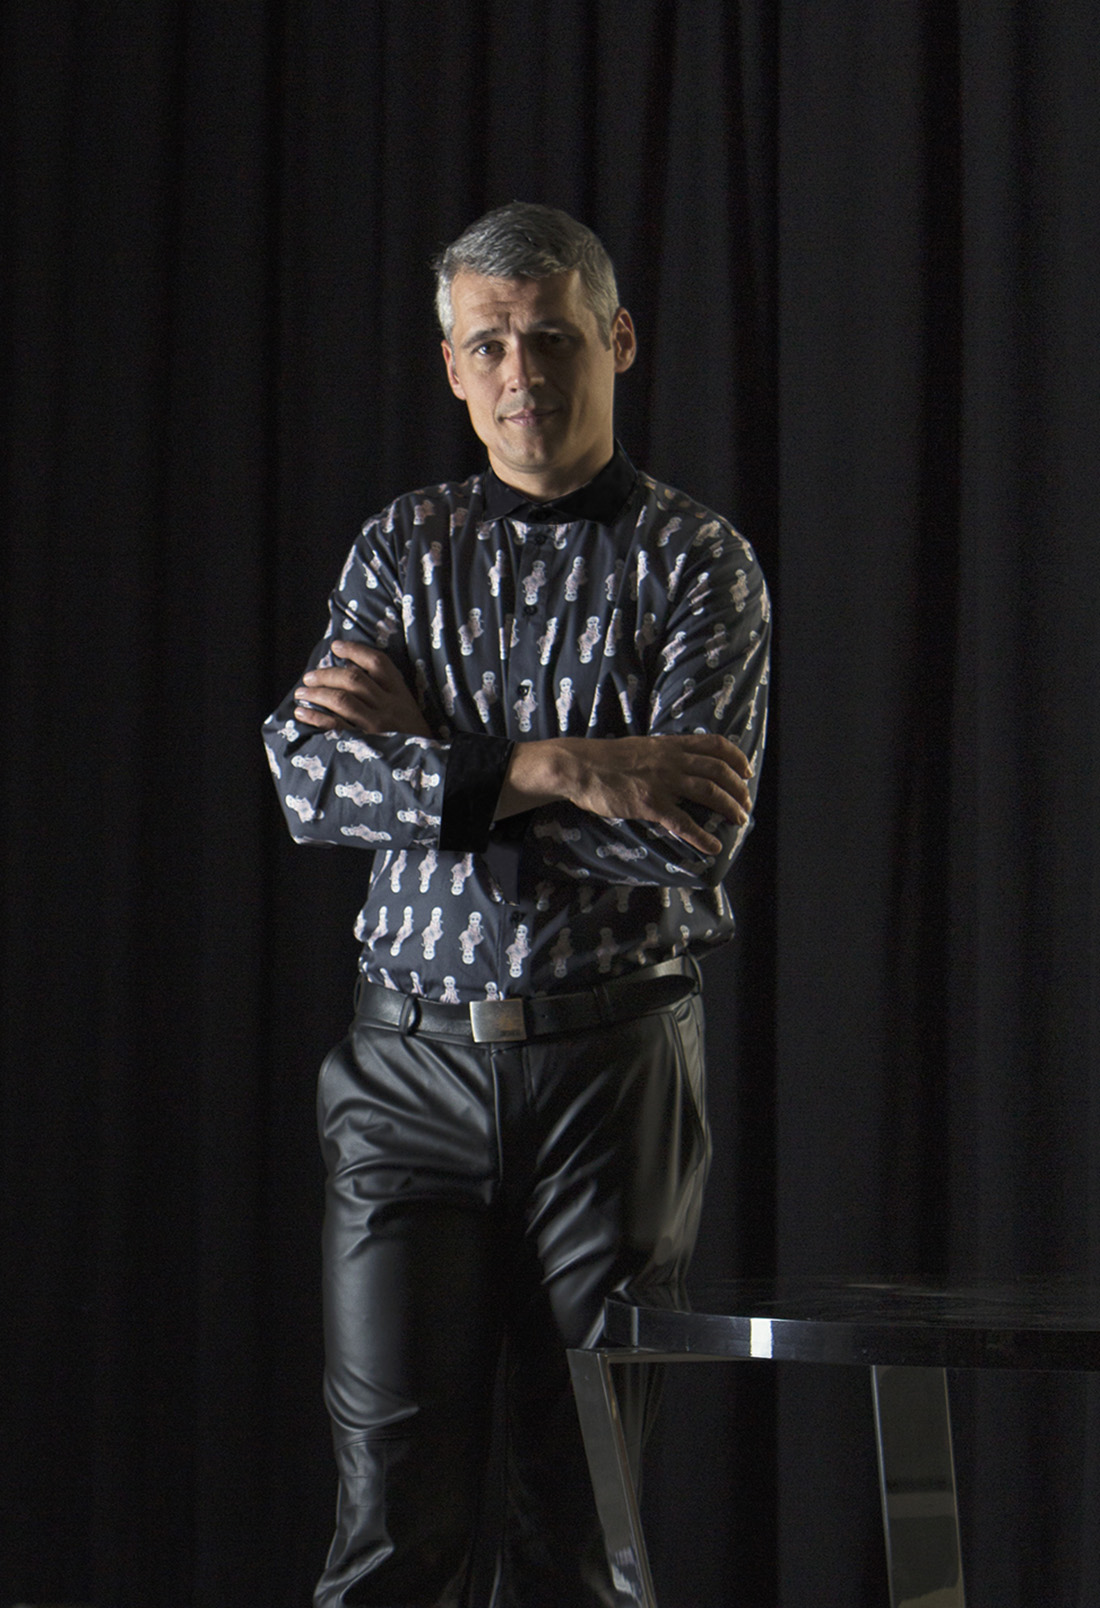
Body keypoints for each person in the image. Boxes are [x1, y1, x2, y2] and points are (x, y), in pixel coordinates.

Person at [262, 202, 770, 1608]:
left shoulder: (698, 562)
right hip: (406, 1077)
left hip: (615, 1072)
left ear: (618, 341)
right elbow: (310, 783)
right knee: (388, 1529)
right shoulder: (402, 548)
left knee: (582, 1526)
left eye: (552, 337)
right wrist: (567, 766)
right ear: (451, 366)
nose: (522, 372)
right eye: (488, 344)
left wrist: (433, 761)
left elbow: (687, 842)